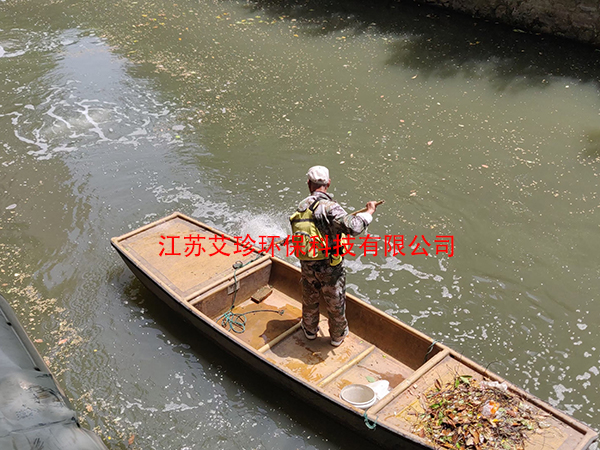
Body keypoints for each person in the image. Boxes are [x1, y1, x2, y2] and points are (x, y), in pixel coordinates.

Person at [289, 165, 379, 347]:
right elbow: (354, 227)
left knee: (310, 297)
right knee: (335, 301)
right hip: (329, 266)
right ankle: (337, 336)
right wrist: (368, 213)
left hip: (307, 263)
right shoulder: (330, 207)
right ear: (328, 183)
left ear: (309, 183)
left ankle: (309, 330)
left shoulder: (302, 207)